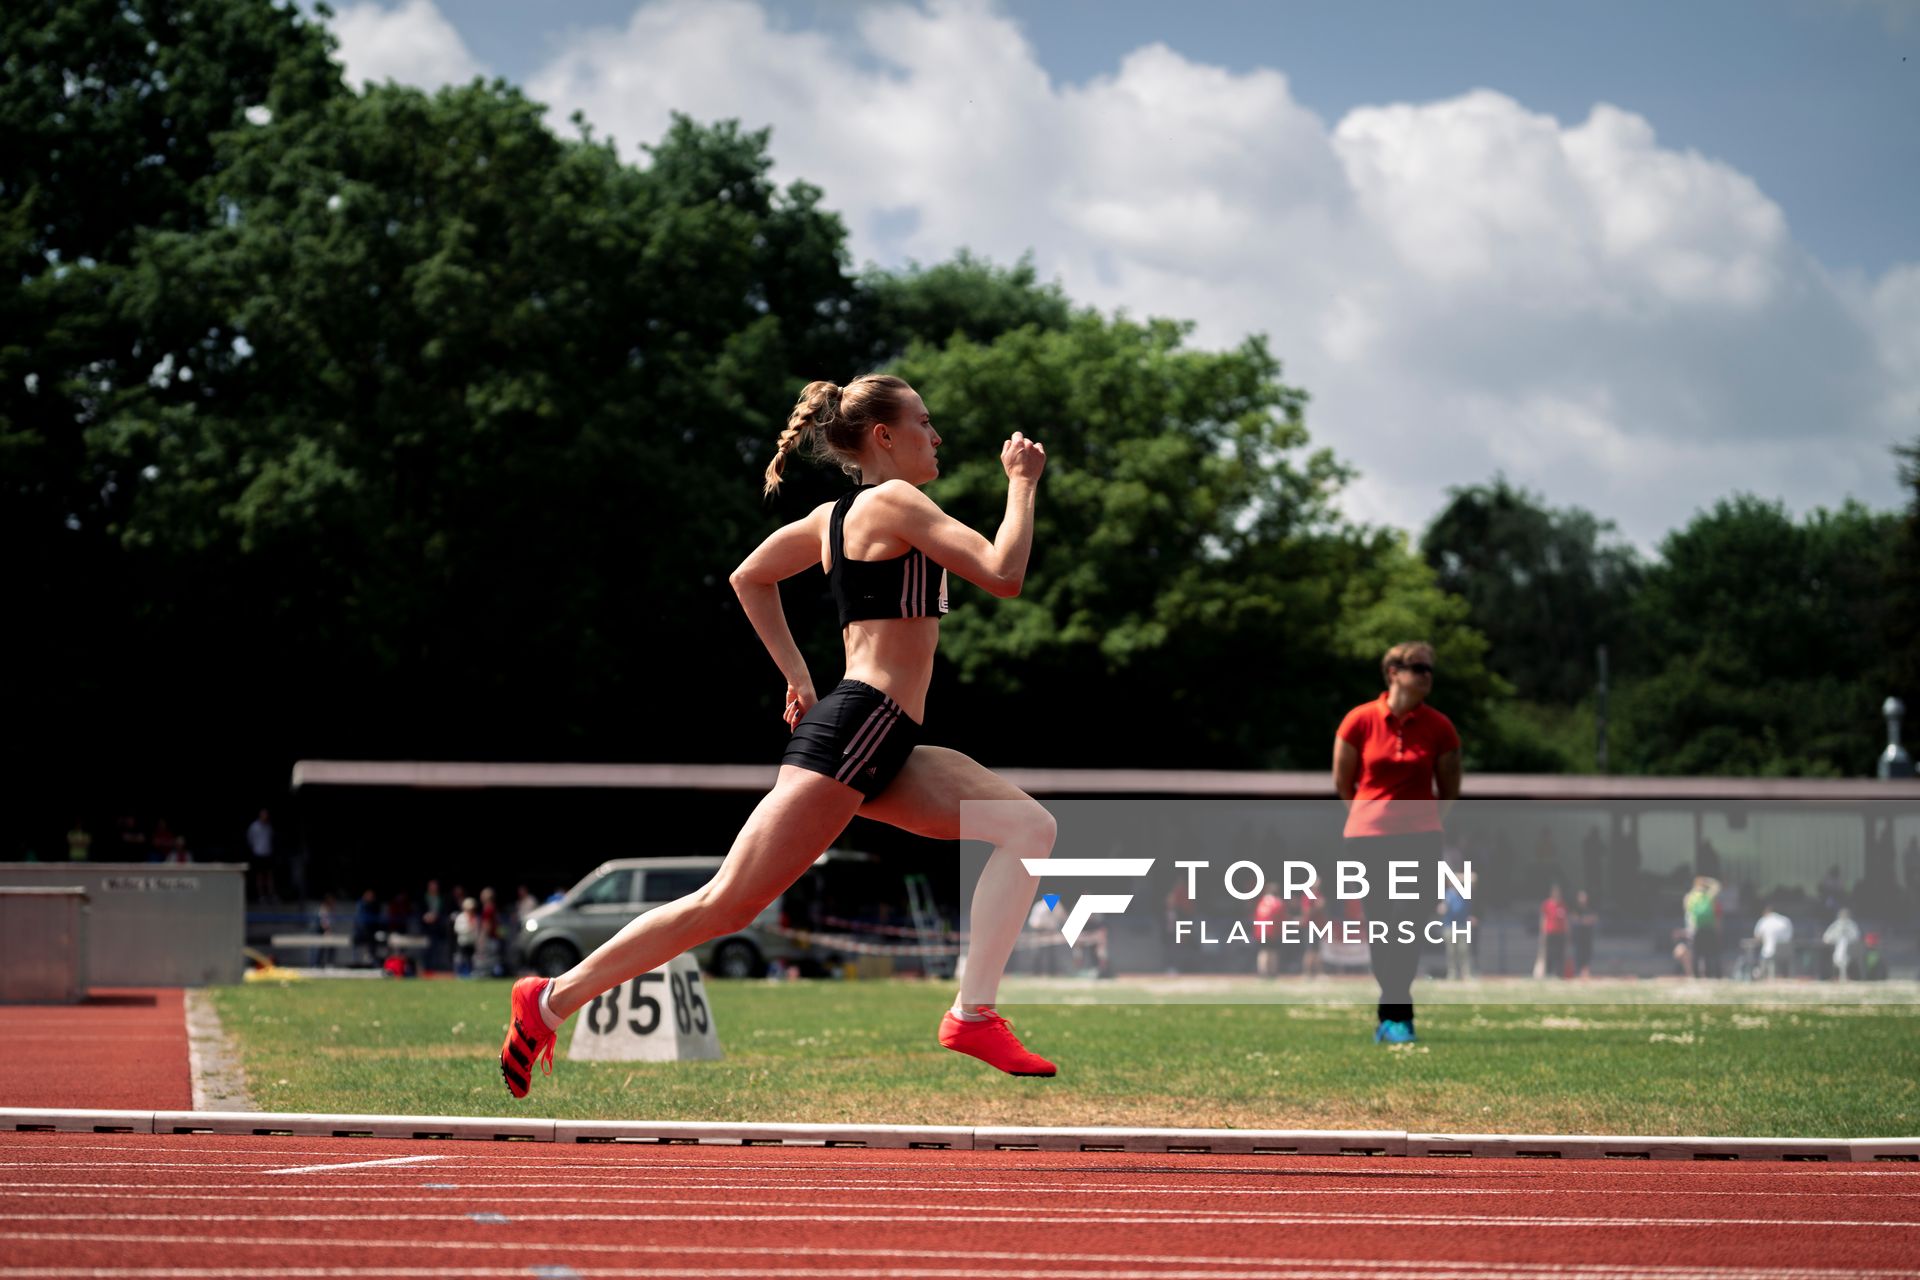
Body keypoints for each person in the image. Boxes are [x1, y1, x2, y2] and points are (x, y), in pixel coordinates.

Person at [500, 374, 1056, 1098]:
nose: (937, 435)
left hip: (880, 735)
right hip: (858, 729)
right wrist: (1021, 482)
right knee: (726, 904)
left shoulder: (832, 518)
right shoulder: (892, 502)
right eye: (924, 422)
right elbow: (1004, 573)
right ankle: (548, 1001)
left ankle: (972, 1014)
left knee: (1026, 827)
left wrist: (797, 678)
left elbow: (750, 575)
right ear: (883, 437)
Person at [1332, 641, 1462, 1044]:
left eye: (1430, 669)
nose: (1427, 676)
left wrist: (1421, 822)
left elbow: (1450, 789)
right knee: (1382, 925)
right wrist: (1372, 817)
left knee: (1410, 927)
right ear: (1393, 672)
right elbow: (1343, 782)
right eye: (1419, 667)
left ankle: (1393, 1014)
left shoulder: (1440, 726)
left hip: (1420, 839)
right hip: (1369, 839)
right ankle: (1396, 1017)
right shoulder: (1359, 720)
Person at [1684, 875, 1722, 978]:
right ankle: (1709, 975)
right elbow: (1717, 886)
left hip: (1696, 928)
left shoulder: (1690, 896)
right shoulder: (1708, 895)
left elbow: (1688, 912)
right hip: (1709, 927)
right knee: (1709, 953)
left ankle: (1696, 975)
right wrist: (1708, 880)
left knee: (1696, 953)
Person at [1752, 902, 1793, 980]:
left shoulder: (1764, 920)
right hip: (1787, 952)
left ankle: (1761, 975)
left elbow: (1757, 937)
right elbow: (1790, 936)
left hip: (1770, 952)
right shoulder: (1786, 920)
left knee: (1763, 953)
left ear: (1767, 911)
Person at [1538, 885, 1569, 980]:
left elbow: (1566, 920)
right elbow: (1544, 919)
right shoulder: (1547, 904)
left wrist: (1567, 932)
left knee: (1560, 954)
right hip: (1550, 932)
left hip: (1560, 933)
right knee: (1549, 954)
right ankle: (1548, 973)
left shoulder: (1563, 904)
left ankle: (1559, 974)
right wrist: (1543, 933)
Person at [1823, 907, 1861, 981]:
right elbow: (1826, 937)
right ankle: (1836, 977)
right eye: (1842, 914)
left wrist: (1848, 941)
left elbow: (1856, 936)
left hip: (1850, 950)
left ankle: (1845, 977)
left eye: (1845, 914)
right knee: (1836, 957)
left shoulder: (1851, 925)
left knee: (1844, 957)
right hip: (1835, 948)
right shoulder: (1836, 924)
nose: (1843, 916)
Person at [247, 809, 275, 902]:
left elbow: (271, 839)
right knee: (259, 876)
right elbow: (250, 839)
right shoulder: (254, 827)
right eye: (263, 815)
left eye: (266, 815)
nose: (265, 817)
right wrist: (255, 849)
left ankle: (270, 894)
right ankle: (261, 895)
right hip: (258, 854)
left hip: (268, 853)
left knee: (269, 875)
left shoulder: (268, 827)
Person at [1569, 889, 1598, 980]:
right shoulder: (1575, 908)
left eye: (1584, 897)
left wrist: (1582, 920)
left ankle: (1586, 973)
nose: (1583, 899)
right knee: (1579, 954)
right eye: (1581, 897)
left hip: (1588, 936)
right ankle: (1579, 973)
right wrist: (1584, 921)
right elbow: (1574, 919)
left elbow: (1594, 919)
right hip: (1578, 936)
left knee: (1587, 954)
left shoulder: (1590, 908)